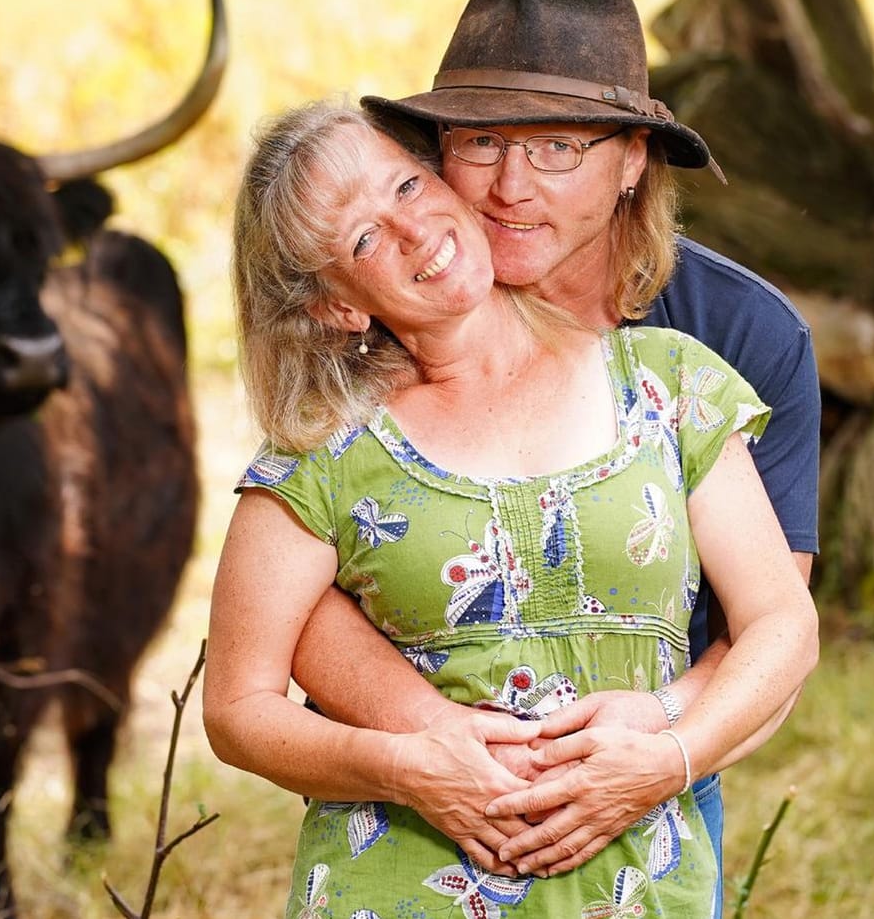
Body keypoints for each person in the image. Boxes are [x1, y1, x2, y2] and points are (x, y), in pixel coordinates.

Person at [201, 97, 818, 917]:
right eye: (363, 239)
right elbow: (236, 707)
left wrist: (669, 754)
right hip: (397, 888)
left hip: (636, 886)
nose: (415, 232)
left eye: (409, 187)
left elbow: (784, 622)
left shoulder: (666, 383)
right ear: (337, 304)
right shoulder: (322, 451)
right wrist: (404, 767)